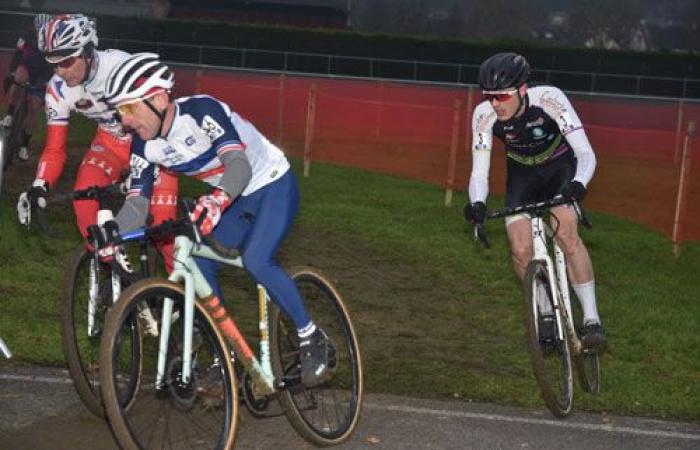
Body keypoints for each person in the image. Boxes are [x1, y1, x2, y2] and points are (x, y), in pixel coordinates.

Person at [101, 52, 336, 387]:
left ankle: (311, 336)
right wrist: (112, 231)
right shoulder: (143, 145)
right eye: (120, 111)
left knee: (257, 259)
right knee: (197, 259)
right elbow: (137, 204)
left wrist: (216, 200)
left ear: (158, 98)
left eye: (129, 108)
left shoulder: (201, 111)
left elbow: (239, 166)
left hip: (271, 183)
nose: (125, 121)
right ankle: (226, 353)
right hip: (233, 197)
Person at [16, 14, 178, 277]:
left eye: (67, 61)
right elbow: (55, 148)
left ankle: (186, 300)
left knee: (165, 231)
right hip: (109, 144)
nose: (60, 71)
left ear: (88, 51)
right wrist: (39, 186)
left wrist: (145, 171)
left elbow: (157, 118)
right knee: (83, 199)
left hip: (151, 143)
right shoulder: (57, 90)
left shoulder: (119, 67)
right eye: (53, 63)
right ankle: (114, 272)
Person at [464, 52, 606, 350]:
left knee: (566, 233)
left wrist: (579, 184)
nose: (494, 104)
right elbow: (479, 172)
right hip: (522, 178)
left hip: (559, 169)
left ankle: (592, 319)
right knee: (519, 249)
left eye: (501, 96)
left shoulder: (551, 99)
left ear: (523, 90)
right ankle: (544, 312)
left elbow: (586, 153)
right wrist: (477, 203)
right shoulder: (484, 115)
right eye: (489, 96)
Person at [1, 13, 54, 161]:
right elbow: (18, 54)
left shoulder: (54, 40)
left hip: (43, 74)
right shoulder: (26, 36)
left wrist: (47, 82)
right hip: (26, 66)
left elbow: (54, 64)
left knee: (34, 109)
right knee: (18, 78)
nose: (41, 33)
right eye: (39, 30)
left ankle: (24, 146)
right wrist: (12, 71)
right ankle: (10, 115)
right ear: (34, 28)